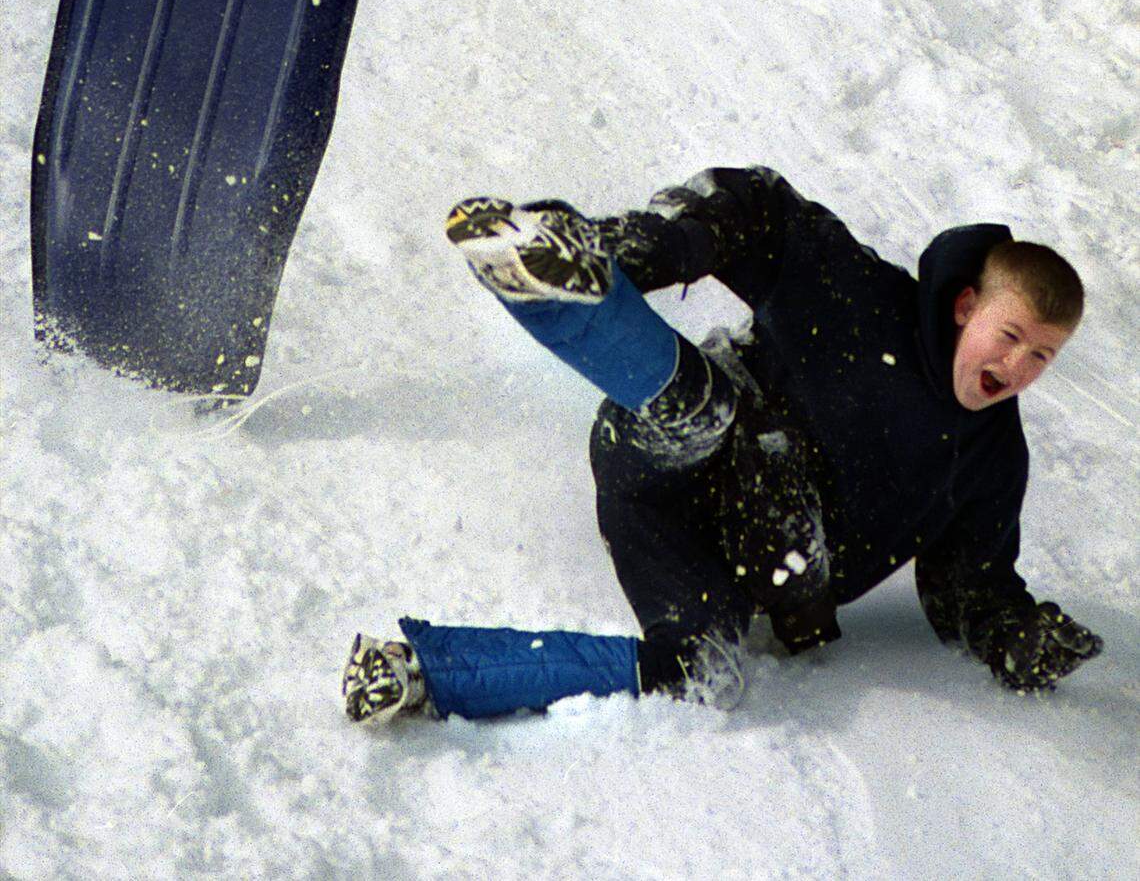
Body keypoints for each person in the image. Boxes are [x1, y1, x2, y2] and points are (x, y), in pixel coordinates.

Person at [342, 167, 1103, 724]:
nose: (1017, 367)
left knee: (703, 677)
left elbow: (971, 581)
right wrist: (647, 246)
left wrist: (1015, 636)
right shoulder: (865, 304)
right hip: (671, 445)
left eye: (1042, 356)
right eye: (1009, 337)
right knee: (707, 412)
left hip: (705, 551)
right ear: (967, 306)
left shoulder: (992, 459)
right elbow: (761, 210)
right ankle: (573, 270)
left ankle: (425, 674)